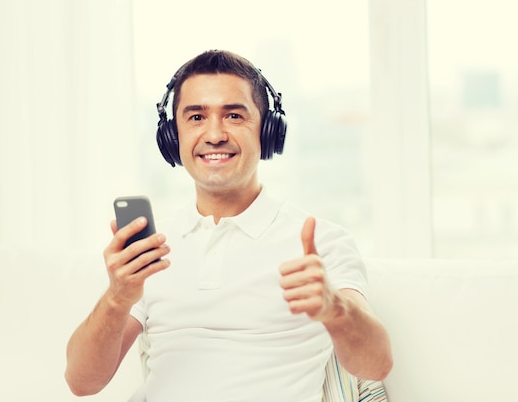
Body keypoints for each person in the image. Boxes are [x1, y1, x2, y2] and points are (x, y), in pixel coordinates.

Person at [65, 49, 393, 402]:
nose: (215, 134)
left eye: (234, 115)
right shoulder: (153, 249)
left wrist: (334, 308)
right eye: (196, 117)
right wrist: (117, 297)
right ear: (172, 136)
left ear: (268, 131)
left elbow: (376, 365)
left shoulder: (321, 241)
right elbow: (83, 383)